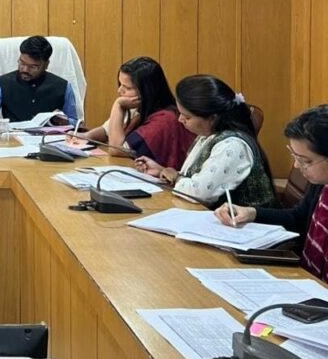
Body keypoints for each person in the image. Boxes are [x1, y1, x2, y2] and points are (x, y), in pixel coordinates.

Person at [214, 106, 328, 281]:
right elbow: (298, 218)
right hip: (307, 279)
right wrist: (252, 213)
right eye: (295, 157)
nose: (296, 166)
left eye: (305, 160)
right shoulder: (322, 183)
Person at [135, 75, 275, 210]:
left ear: (212, 118)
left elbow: (199, 193)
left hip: (247, 223)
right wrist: (162, 171)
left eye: (187, 117)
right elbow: (197, 178)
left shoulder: (233, 146)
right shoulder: (208, 135)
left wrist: (176, 178)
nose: (180, 120)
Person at [72, 56, 195, 169]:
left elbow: (117, 149)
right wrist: (86, 136)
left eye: (127, 88)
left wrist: (117, 106)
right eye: (120, 84)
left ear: (147, 91)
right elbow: (108, 130)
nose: (120, 90)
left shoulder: (164, 119)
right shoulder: (137, 107)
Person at [0, 36, 77, 125]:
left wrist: (66, 122)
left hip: (49, 139)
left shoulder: (63, 87)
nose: (25, 70)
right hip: (13, 139)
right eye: (22, 63)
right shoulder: (2, 83)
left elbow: (75, 122)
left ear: (46, 65)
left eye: (33, 67)